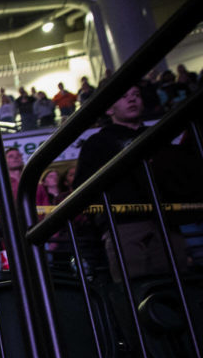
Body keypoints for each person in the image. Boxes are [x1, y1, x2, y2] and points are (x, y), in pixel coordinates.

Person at [72, 84, 200, 281]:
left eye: (136, 95)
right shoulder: (96, 143)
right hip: (125, 225)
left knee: (178, 286)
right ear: (108, 109)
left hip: (166, 221)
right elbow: (81, 188)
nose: (132, 99)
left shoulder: (159, 135)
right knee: (138, 289)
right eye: (123, 96)